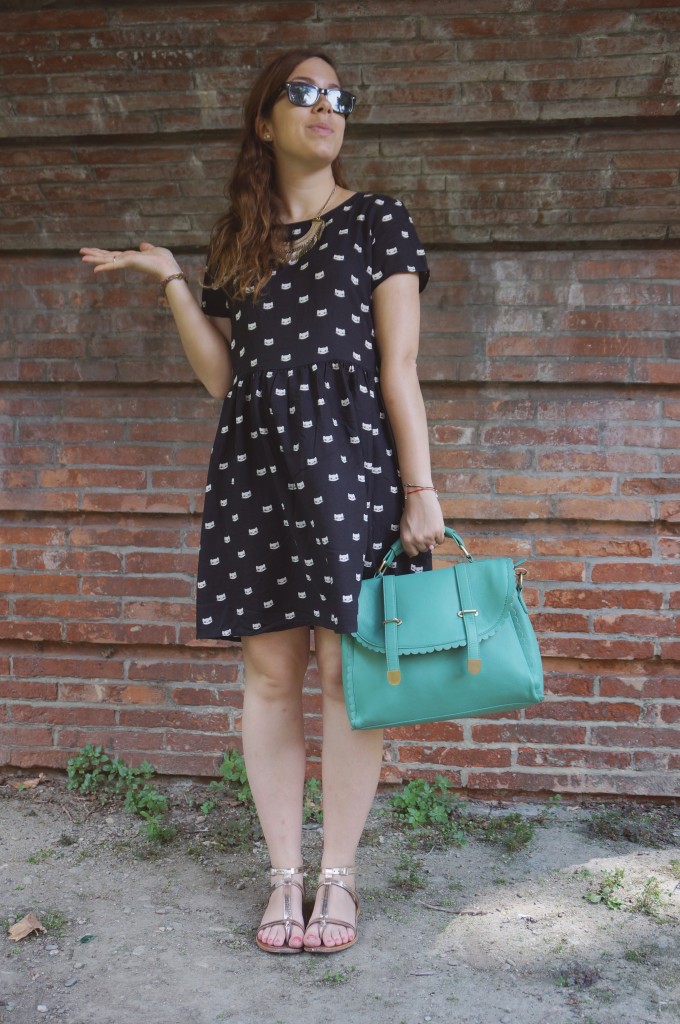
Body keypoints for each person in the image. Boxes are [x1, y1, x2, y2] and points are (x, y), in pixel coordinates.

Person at [80, 48, 445, 955]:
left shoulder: (379, 221)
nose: (327, 107)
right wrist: (174, 279)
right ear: (264, 120)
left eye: (338, 96)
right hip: (255, 472)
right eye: (304, 92)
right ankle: (284, 876)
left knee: (346, 675)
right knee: (272, 677)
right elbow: (223, 379)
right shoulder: (238, 239)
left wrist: (421, 490)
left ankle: (338, 879)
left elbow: (400, 367)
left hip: (354, 471)